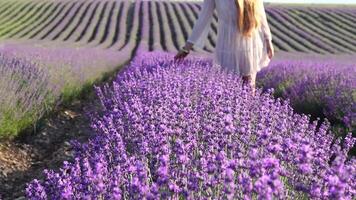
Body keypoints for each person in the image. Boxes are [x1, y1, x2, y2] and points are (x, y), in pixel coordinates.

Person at [174, 0, 274, 93]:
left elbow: (260, 14)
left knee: (247, 89)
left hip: (248, 45)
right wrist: (186, 48)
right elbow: (203, 19)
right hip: (232, 47)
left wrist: (268, 40)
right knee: (230, 90)